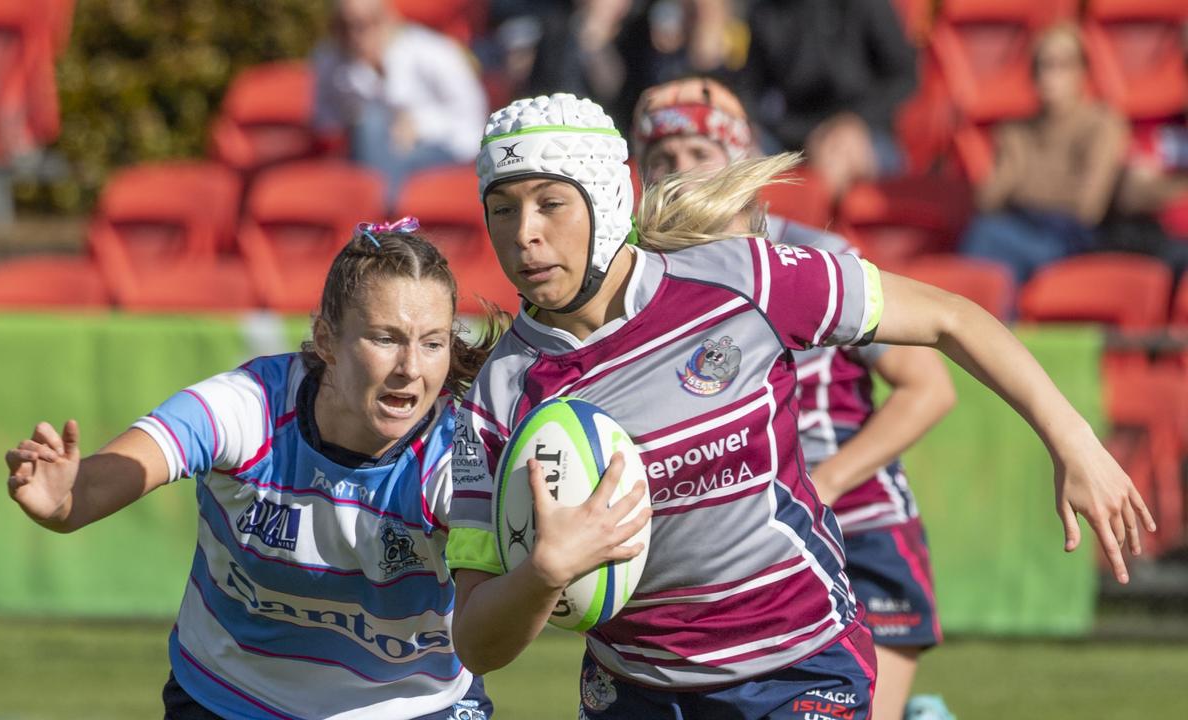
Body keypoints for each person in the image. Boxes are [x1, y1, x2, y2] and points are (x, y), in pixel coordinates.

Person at [445, 93, 1153, 719]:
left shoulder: (741, 279)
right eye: (501, 209)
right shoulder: (500, 395)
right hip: (632, 693)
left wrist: (1074, 441)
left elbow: (952, 320)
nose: (524, 233)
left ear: (604, 198)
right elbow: (478, 642)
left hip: (796, 668)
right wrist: (543, 573)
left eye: (550, 202)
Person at [5, 222, 498, 720]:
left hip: (416, 707)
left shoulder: (459, 458)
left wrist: (550, 566)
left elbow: (497, 632)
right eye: (385, 338)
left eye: (432, 343)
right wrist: (67, 498)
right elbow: (99, 484)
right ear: (326, 339)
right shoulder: (246, 408)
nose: (410, 367)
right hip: (232, 701)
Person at [631, 76, 957, 720]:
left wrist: (829, 481)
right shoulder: (640, 275)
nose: (681, 173)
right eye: (662, 160)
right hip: (742, 539)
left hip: (856, 522)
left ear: (743, 158)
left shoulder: (811, 255)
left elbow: (930, 389)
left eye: (700, 153)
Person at [960, 22, 1129, 288]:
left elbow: (1087, 207)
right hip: (1017, 228)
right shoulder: (1015, 131)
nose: (1049, 74)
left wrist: (1020, 185)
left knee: (990, 237)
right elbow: (985, 200)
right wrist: (1017, 174)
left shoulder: (1102, 124)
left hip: (1070, 240)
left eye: (1061, 64)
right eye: (1041, 64)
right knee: (985, 234)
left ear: (1082, 71)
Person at [310, 0, 488, 204]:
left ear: (388, 20)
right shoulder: (330, 58)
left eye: (365, 24)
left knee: (374, 132)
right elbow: (323, 118)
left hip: (442, 146)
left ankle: (380, 213)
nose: (354, 35)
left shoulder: (433, 51)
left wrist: (417, 127)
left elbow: (470, 116)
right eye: (344, 26)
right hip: (365, 147)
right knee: (370, 125)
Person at [743, 0, 917, 198]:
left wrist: (854, 123)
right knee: (735, 156)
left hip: (866, 131)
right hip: (795, 134)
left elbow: (904, 77)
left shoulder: (868, 5)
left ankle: (828, 225)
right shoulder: (766, 10)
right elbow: (752, 90)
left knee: (837, 162)